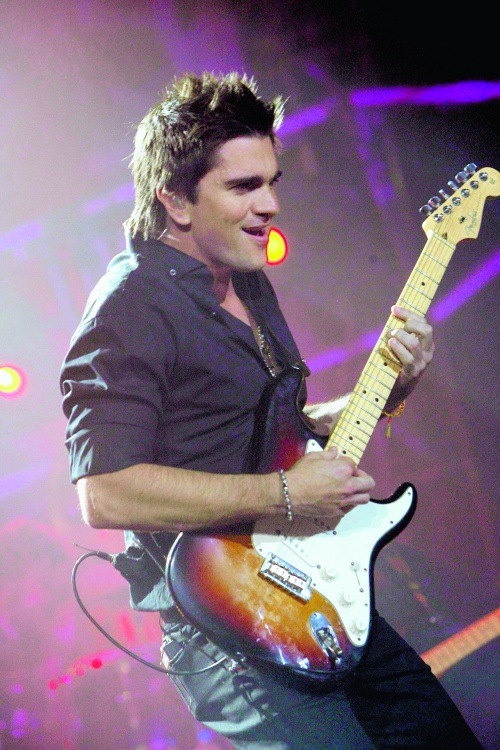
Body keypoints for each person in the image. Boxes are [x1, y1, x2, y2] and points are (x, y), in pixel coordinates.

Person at [60, 72, 483, 749]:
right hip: (228, 633)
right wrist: (286, 493)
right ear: (175, 198)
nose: (270, 205)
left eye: (272, 182)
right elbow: (104, 493)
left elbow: (282, 432)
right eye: (243, 187)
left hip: (313, 598)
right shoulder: (129, 309)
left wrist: (389, 390)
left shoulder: (246, 279)